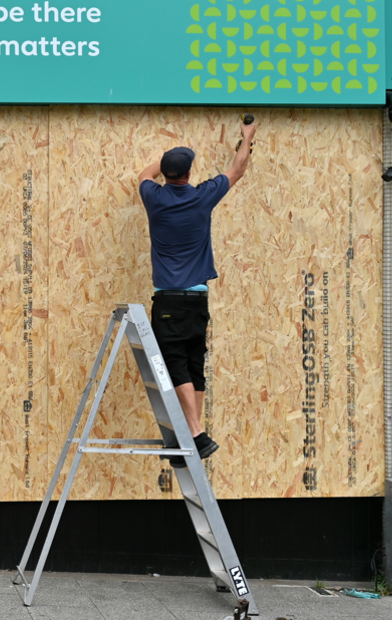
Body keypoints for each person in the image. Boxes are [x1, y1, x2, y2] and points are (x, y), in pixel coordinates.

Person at [137, 120, 256, 467]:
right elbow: (238, 168)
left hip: (169, 300)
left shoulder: (153, 198)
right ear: (188, 173)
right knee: (192, 365)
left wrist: (165, 160)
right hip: (197, 299)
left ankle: (195, 432)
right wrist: (246, 138)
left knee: (174, 366)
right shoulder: (203, 196)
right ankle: (193, 439)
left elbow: (145, 173)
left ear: (168, 174)